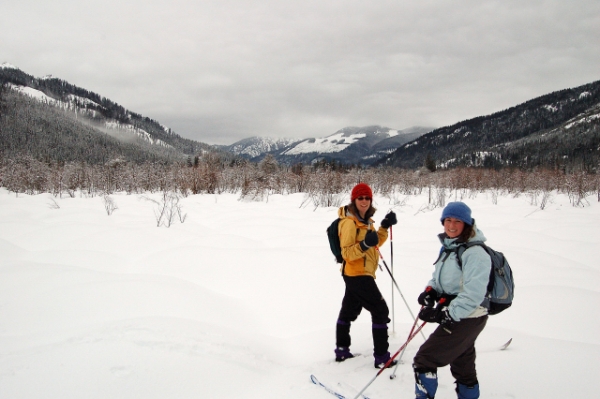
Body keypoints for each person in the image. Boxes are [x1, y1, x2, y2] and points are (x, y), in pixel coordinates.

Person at [412, 201, 492, 399]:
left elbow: (473, 294)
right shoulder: (450, 247)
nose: (452, 225)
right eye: (448, 220)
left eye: (458, 221)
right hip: (461, 315)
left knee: (425, 359)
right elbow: (441, 277)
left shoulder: (475, 253)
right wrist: (431, 290)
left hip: (468, 316)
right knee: (462, 361)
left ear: (467, 224)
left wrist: (444, 314)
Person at [334, 182, 398, 369]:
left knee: (349, 310)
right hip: (357, 274)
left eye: (367, 198)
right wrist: (364, 245)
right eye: (360, 198)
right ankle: (381, 357)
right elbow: (346, 253)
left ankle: (342, 350)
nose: (364, 201)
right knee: (379, 310)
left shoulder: (366, 221)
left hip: (359, 273)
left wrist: (384, 227)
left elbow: (374, 242)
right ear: (354, 200)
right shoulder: (348, 223)